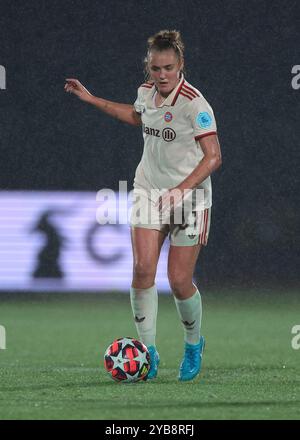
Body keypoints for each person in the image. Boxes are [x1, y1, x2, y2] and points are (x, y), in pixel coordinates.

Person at [64, 30, 222, 381]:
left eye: (168, 67)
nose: (161, 74)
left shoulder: (195, 104)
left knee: (179, 280)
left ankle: (194, 344)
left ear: (180, 65)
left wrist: (181, 190)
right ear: (148, 68)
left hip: (191, 198)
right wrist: (92, 99)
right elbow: (137, 117)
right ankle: (147, 351)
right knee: (141, 270)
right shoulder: (145, 94)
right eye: (155, 68)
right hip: (149, 191)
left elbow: (214, 157)